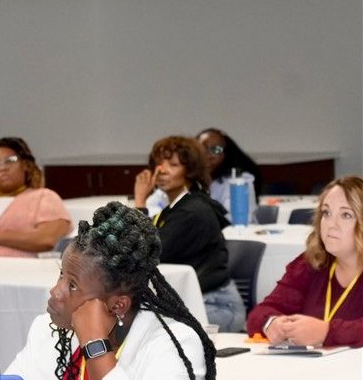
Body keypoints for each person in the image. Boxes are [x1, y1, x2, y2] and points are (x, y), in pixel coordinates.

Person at [3, 202, 217, 380]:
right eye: (61, 275)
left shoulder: (175, 345)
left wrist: (95, 343)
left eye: (72, 285)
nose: (55, 291)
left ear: (117, 305)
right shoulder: (47, 331)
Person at [134, 135, 246, 332]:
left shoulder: (191, 211)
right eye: (159, 163)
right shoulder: (178, 207)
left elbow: (146, 253)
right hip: (196, 300)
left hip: (215, 306)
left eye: (173, 165)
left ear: (190, 171)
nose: (162, 170)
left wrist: (140, 202)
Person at [247, 175, 363, 348]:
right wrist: (272, 323)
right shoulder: (311, 264)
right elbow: (260, 313)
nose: (331, 224)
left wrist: (326, 332)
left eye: (346, 215)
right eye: (326, 213)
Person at [196, 127, 263, 215]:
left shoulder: (239, 181)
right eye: (202, 149)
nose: (208, 156)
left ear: (226, 153)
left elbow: (234, 217)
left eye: (216, 150)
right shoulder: (188, 179)